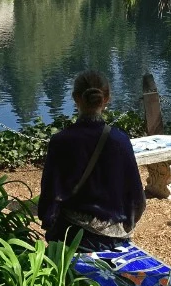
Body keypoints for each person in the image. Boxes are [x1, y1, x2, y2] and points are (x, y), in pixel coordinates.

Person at [39, 70, 146, 251]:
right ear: (106, 99)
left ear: (75, 98)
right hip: (114, 239)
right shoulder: (119, 140)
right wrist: (123, 226)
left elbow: (49, 197)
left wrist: (50, 223)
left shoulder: (61, 141)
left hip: (70, 236)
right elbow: (137, 200)